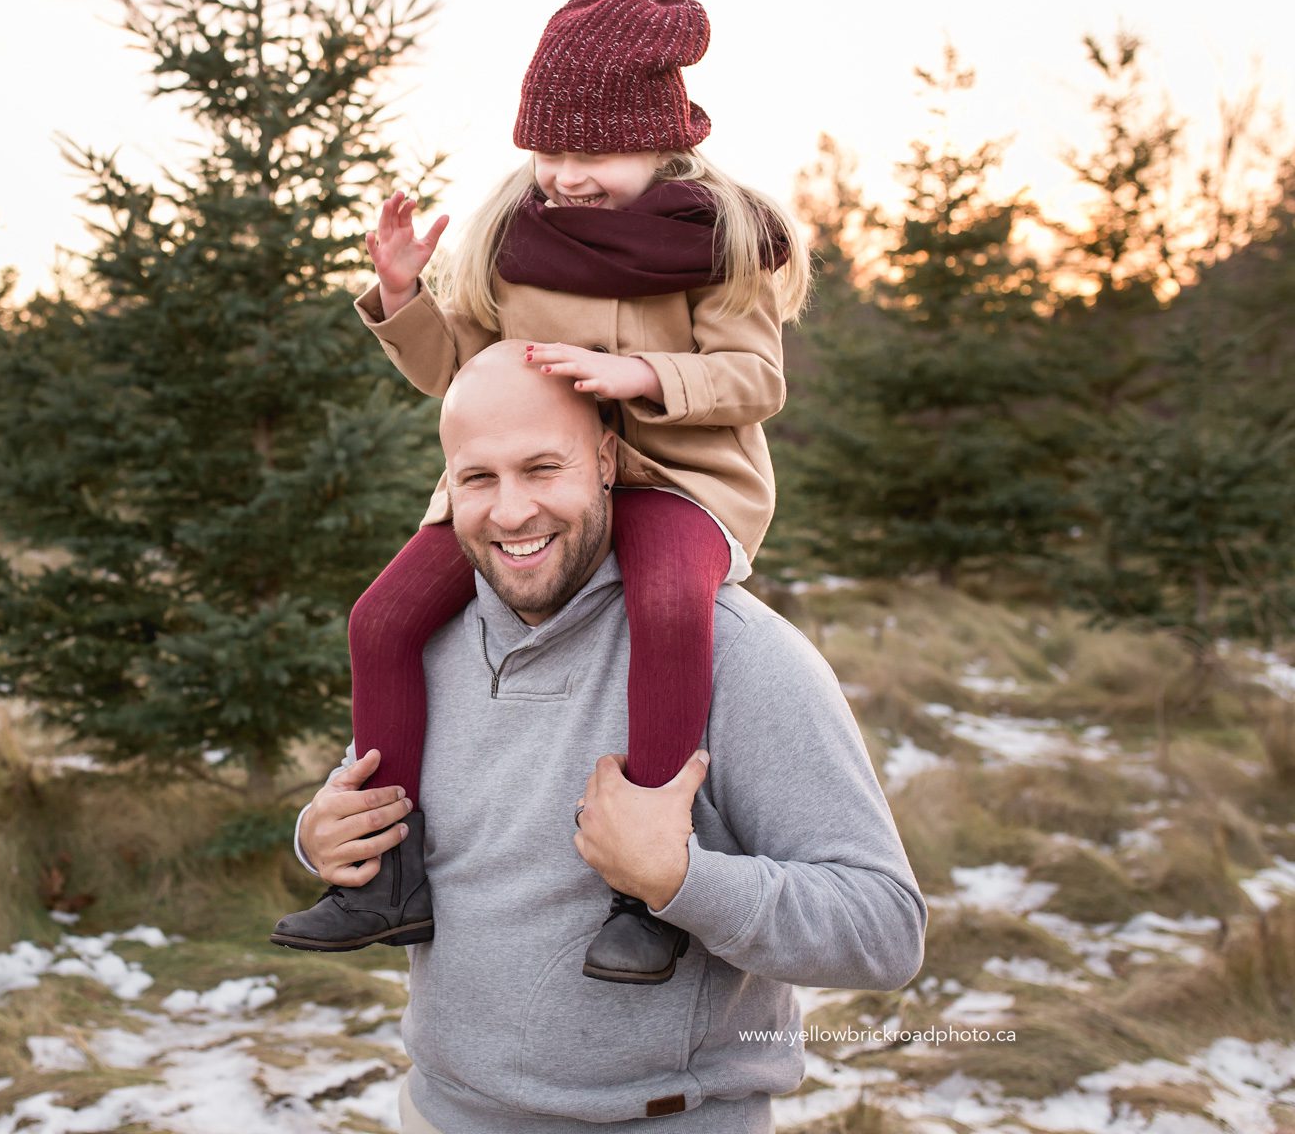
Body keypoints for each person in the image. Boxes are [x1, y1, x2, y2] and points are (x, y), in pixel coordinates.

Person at [271, 0, 813, 982]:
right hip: (528, 481)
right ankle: (387, 876)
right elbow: (460, 371)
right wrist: (400, 295)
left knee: (665, 606)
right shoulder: (517, 234)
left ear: (661, 140)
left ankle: (647, 883)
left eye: (591, 154)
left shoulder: (719, 238)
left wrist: (640, 375)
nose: (564, 175)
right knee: (381, 621)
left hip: (676, 476)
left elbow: (756, 379)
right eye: (548, 152)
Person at [282, 343, 925, 1132]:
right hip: (438, 1111)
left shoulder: (744, 654)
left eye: (543, 468)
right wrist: (321, 838)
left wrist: (680, 880)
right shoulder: (425, 646)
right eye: (478, 477)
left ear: (608, 459)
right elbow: (367, 804)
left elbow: (885, 930)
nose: (511, 511)